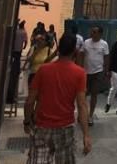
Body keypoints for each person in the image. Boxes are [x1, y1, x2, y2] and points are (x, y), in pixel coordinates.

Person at [23, 34, 92, 162]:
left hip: (42, 127)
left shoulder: (43, 70)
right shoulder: (79, 73)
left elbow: (30, 101)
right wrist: (86, 135)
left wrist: (27, 121)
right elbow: (82, 105)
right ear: (75, 52)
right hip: (65, 128)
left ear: (58, 50)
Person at [79, 25, 110, 125]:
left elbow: (106, 58)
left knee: (94, 94)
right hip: (85, 72)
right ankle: (82, 114)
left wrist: (106, 71)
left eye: (95, 32)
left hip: (98, 72)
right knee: (83, 94)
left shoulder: (104, 44)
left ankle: (90, 115)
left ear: (100, 34)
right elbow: (81, 55)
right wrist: (79, 68)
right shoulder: (86, 42)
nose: (92, 33)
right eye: (92, 31)